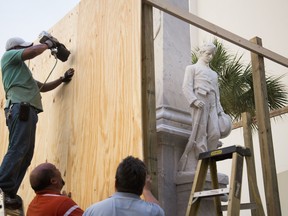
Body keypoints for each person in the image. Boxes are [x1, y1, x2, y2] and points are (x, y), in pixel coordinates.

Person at [0, 36, 74, 208]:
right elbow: (32, 52)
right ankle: (2, 186)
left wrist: (62, 79)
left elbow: (42, 86)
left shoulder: (20, 74)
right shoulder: (8, 56)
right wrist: (48, 44)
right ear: (16, 48)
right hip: (20, 108)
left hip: (27, 111)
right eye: (22, 48)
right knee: (18, 148)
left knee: (26, 154)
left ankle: (10, 192)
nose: (25, 50)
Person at [178, 42, 231, 172]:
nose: (210, 57)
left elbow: (217, 94)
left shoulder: (214, 74)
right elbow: (186, 87)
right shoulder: (192, 68)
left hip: (212, 102)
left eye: (212, 54)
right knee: (200, 133)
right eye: (208, 54)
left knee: (215, 133)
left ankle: (210, 157)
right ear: (201, 53)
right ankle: (201, 161)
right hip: (200, 100)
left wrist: (220, 111)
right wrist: (194, 100)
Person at [84, 156, 165, 216]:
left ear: (115, 183)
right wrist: (147, 191)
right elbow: (158, 211)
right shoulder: (154, 212)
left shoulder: (92, 212)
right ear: (142, 186)